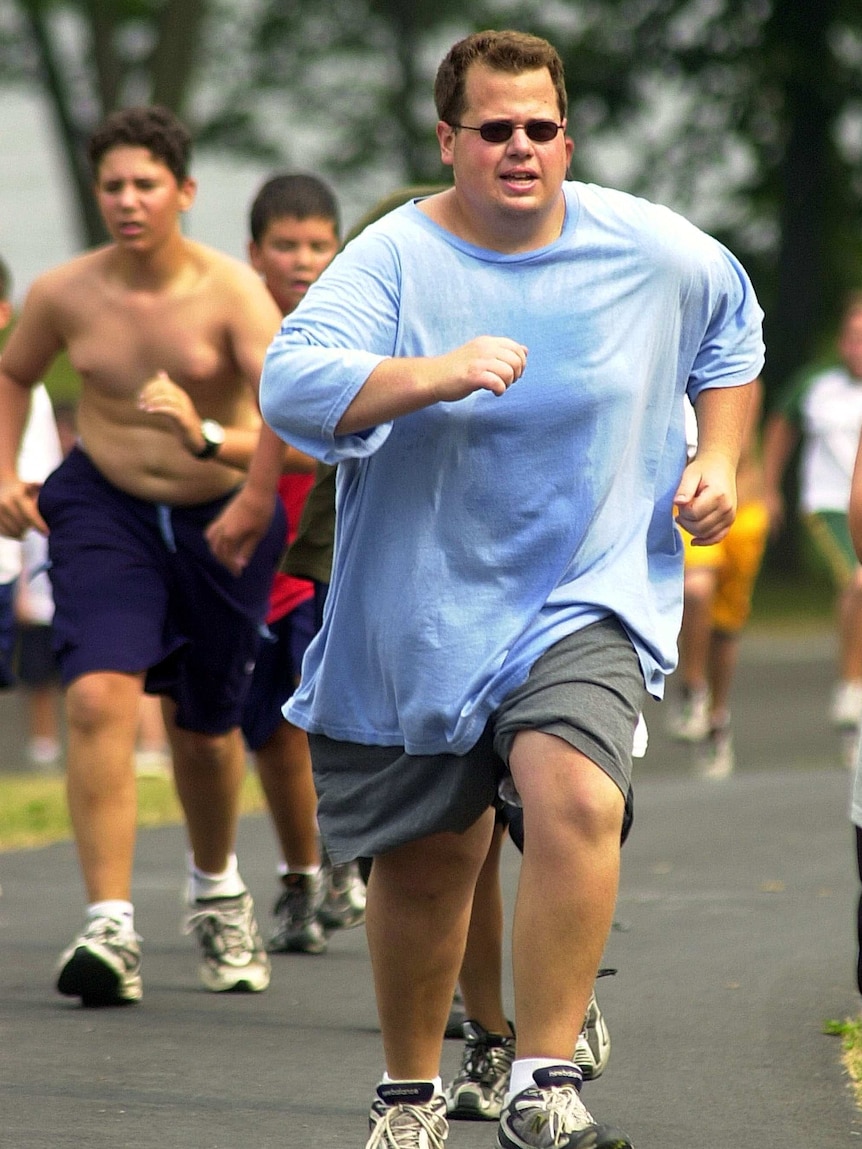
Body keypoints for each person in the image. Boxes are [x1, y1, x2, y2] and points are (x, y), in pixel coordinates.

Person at [260, 27, 763, 1149]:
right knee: (435, 860)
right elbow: (290, 385)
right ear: (449, 141)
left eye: (541, 128)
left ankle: (542, 1083)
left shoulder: (649, 247)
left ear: (567, 138)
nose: (521, 147)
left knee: (575, 796)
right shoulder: (394, 259)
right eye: (495, 129)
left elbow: (732, 331)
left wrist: (718, 458)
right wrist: (427, 374)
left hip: (585, 592)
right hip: (424, 608)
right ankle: (407, 1093)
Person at [0, 106, 288, 1007]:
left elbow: (286, 412)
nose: (128, 201)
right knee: (96, 692)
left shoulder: (232, 293)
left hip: (219, 516)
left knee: (206, 731)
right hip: (105, 509)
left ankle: (217, 890)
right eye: (113, 186)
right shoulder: (64, 290)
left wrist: (247, 496)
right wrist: (4, 469)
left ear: (185, 193)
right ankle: (110, 923)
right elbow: (13, 371)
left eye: (146, 185)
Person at [141, 172, 367, 952]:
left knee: (322, 725)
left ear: (337, 250)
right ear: (254, 252)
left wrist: (205, 437)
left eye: (317, 245)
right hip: (251, 558)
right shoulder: (236, 321)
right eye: (285, 245)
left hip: (335, 554)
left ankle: (341, 854)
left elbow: (313, 436)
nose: (302, 260)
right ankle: (307, 871)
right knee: (269, 727)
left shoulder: (352, 324)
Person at [762, 293, 862, 760]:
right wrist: (767, 486)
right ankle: (851, 687)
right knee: (859, 581)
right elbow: (782, 424)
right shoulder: (817, 385)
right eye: (853, 338)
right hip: (832, 507)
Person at [665, 381, 769, 778]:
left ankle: (717, 719)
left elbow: (754, 444)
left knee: (726, 626)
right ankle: (693, 689)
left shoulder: (742, 374)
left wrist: (767, 490)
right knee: (696, 589)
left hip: (746, 508)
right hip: (701, 499)